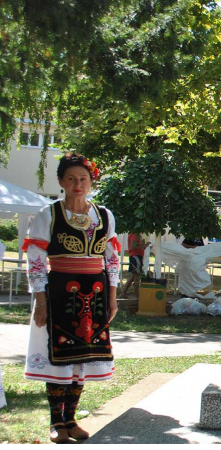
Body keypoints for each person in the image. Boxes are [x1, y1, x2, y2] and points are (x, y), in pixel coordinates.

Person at [22, 153, 121, 443]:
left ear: (91, 182)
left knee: (83, 357)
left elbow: (112, 259)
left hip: (97, 293)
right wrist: (40, 301)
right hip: (59, 293)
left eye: (83, 178)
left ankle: (72, 419)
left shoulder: (104, 215)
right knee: (59, 356)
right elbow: (36, 260)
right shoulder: (49, 214)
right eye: (71, 178)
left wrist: (113, 297)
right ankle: (56, 423)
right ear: (61, 182)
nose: (78, 184)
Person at [120, 233, 150, 297]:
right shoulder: (135, 234)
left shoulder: (136, 234)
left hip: (136, 256)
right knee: (136, 276)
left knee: (133, 276)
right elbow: (133, 246)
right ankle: (137, 297)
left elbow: (137, 246)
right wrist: (145, 245)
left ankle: (123, 292)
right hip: (136, 256)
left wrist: (144, 246)